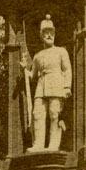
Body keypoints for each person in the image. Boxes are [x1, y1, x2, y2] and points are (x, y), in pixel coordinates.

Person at [29, 17, 71, 151]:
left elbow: (67, 69)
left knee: (54, 114)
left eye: (51, 32)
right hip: (41, 86)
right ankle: (38, 144)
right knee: (38, 114)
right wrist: (24, 69)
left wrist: (67, 87)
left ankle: (54, 145)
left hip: (56, 84)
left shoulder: (61, 51)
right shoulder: (37, 56)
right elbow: (32, 76)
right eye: (46, 32)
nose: (49, 35)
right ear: (41, 35)